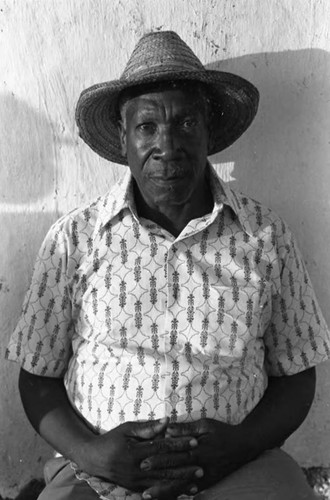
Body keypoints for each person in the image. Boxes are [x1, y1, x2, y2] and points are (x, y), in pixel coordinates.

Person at [6, 30, 330, 500]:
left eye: (185, 123)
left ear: (208, 131)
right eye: (147, 126)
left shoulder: (266, 237)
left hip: (238, 470)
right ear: (123, 135)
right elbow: (36, 375)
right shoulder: (75, 239)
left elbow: (298, 372)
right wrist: (91, 452)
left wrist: (238, 446)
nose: (167, 145)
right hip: (96, 476)